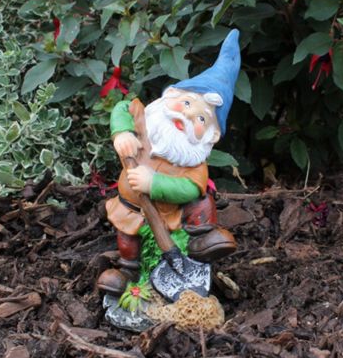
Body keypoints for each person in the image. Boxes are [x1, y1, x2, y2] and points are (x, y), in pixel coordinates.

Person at [97, 29, 241, 295]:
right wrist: (122, 132)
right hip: (133, 208)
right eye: (186, 102)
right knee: (127, 236)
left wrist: (154, 183)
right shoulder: (145, 122)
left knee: (201, 201)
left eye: (201, 119)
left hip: (174, 209)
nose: (187, 115)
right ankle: (127, 270)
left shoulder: (193, 161)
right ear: (171, 95)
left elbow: (189, 189)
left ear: (212, 135)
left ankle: (200, 243)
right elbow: (121, 107)